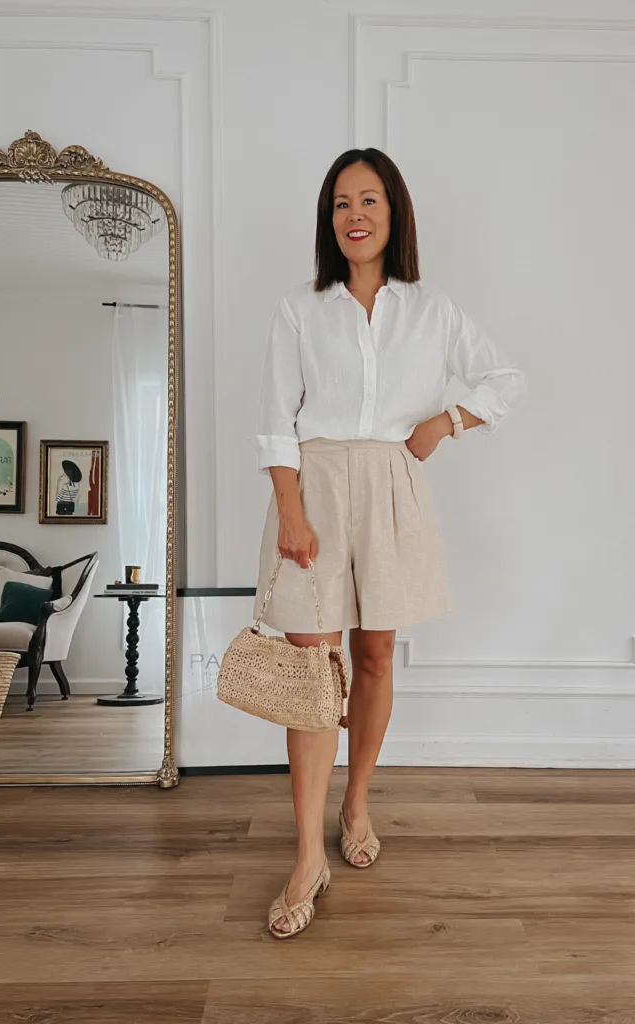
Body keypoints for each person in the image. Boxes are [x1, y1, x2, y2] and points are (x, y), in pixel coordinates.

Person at [251, 148, 527, 939]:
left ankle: (358, 799)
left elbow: (506, 379)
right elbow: (276, 418)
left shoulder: (431, 310)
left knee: (373, 655)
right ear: (328, 219)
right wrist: (290, 510)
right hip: (312, 485)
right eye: (341, 203)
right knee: (311, 670)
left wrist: (447, 421)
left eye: (369, 200)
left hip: (392, 486)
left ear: (394, 212)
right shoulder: (300, 308)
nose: (355, 215)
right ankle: (308, 854)